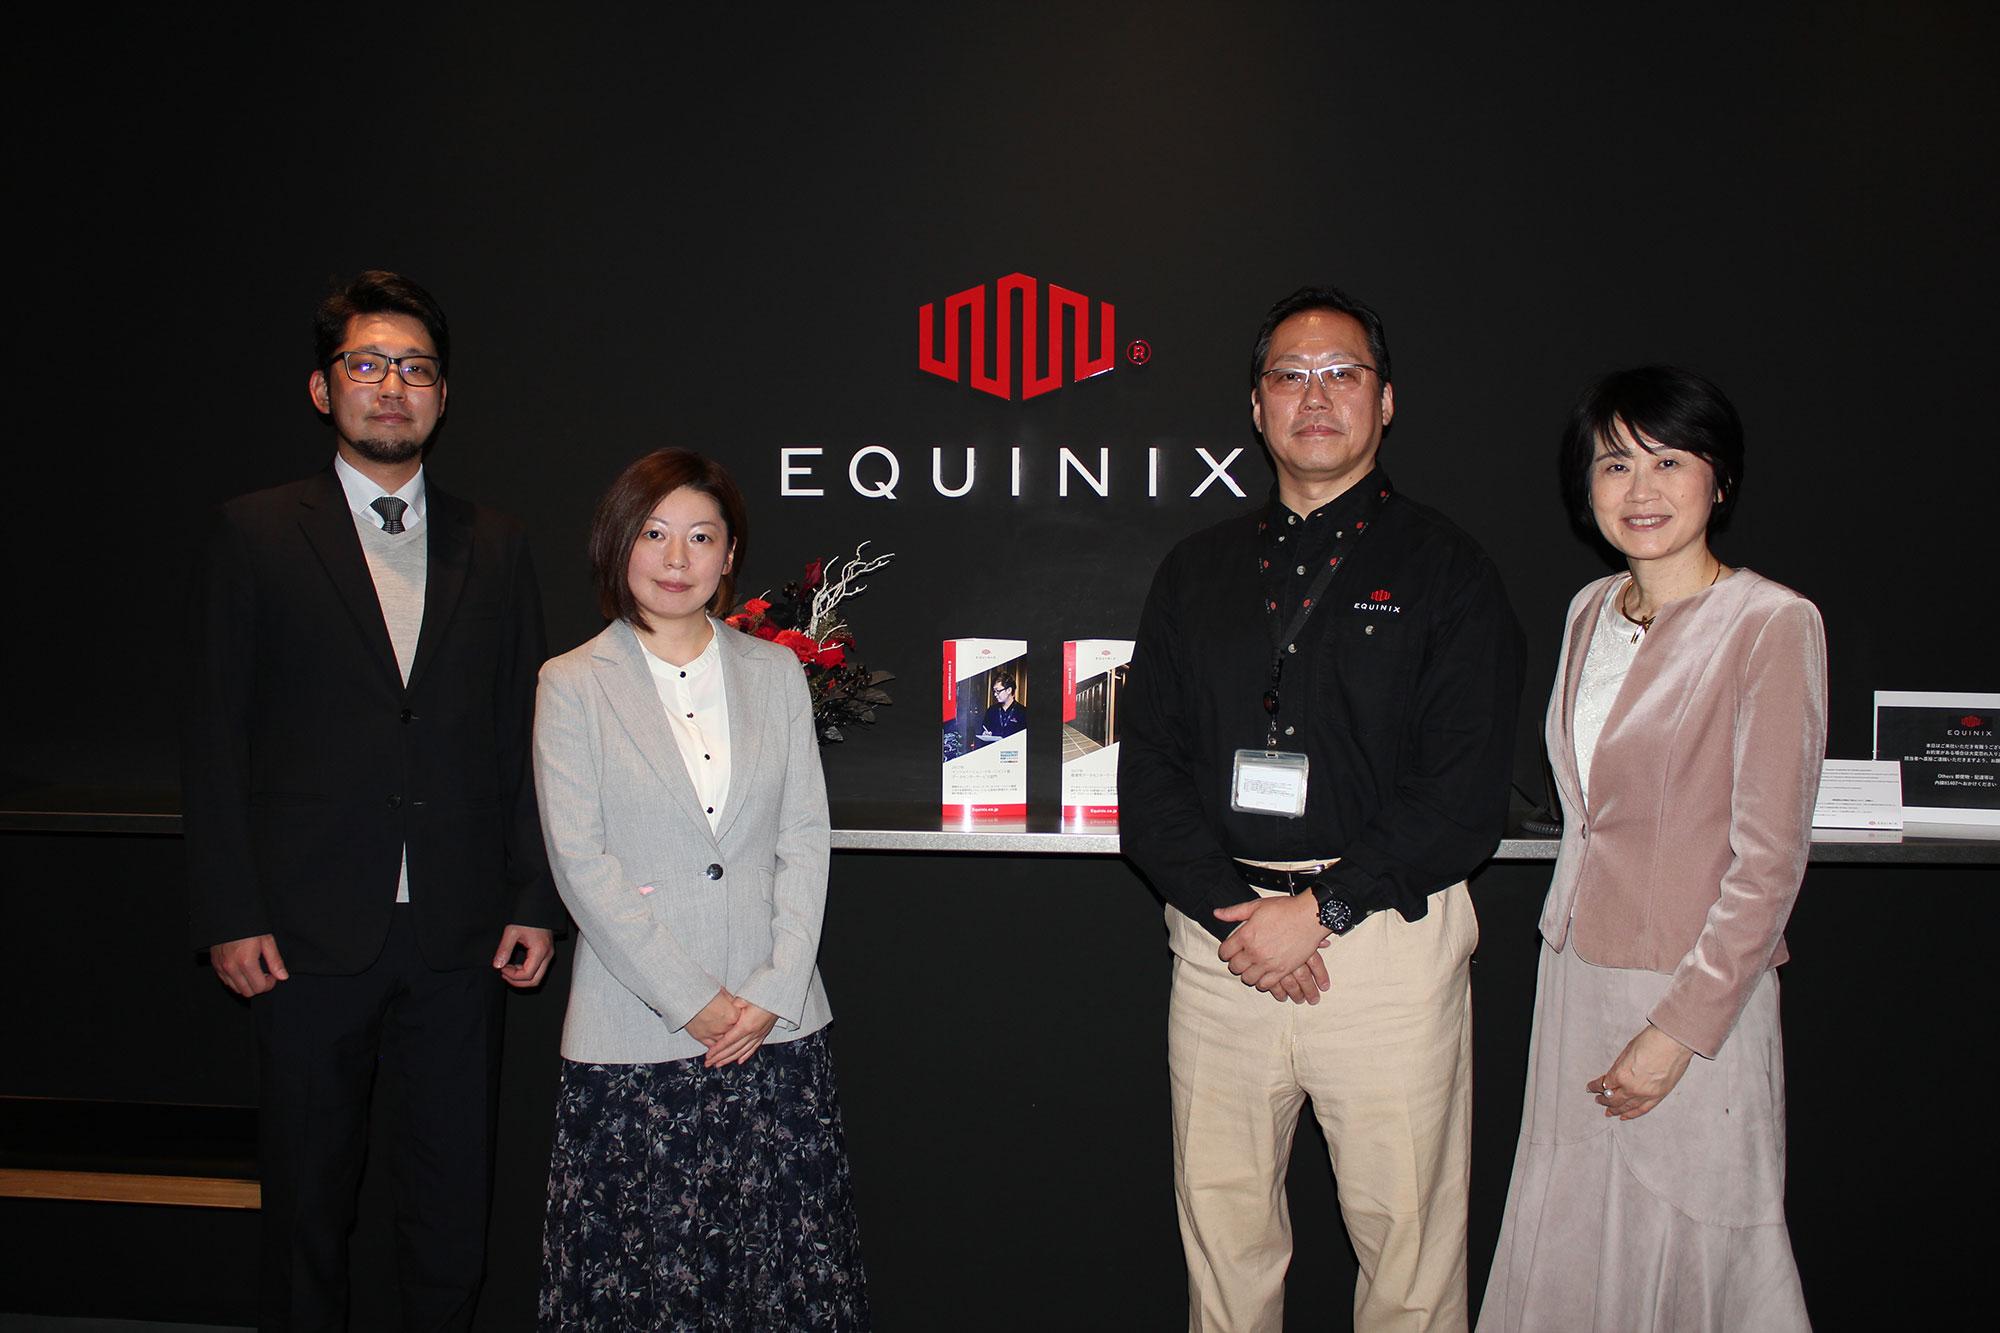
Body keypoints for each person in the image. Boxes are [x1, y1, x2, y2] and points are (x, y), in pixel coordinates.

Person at [1119, 286, 1524, 1332]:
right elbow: (1149, 775)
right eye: (1289, 375)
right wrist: (1237, 912)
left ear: (1384, 401)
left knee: (1407, 1251)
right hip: (1223, 949)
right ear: (1256, 406)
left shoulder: (1448, 571)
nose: (1315, 395)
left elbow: (1463, 793)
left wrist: (1323, 909)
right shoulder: (1195, 571)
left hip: (1384, 947)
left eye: (1342, 373)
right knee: (1223, 1238)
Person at [184, 270, 561, 1329]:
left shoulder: (498, 543)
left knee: (451, 1203)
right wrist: (229, 912)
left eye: (415, 368)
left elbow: (524, 734)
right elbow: (213, 735)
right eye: (367, 364)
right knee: (308, 1205)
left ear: (443, 396)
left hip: (460, 932)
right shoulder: (255, 533)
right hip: (300, 934)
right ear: (323, 388)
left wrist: (534, 897)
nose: (392, 386)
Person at [1480, 367, 1821, 1331]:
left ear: (1720, 478)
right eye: (1614, 463)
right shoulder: (1589, 608)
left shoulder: (1772, 623)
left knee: (1699, 1242)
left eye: (1669, 461)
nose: (1640, 489)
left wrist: (1678, 1032)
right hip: (1575, 974)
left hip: (1697, 991)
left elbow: (1769, 864)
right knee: (1571, 1237)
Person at [533, 449, 868, 1330]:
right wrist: (696, 1002)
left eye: (700, 536)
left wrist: (772, 989)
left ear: (729, 556)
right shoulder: (571, 682)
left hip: (774, 1030)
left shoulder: (775, 672)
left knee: (781, 1279)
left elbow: (804, 836)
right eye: (653, 534)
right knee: (646, 1284)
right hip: (636, 1033)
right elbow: (581, 863)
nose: (676, 558)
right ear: (617, 545)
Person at [974, 671, 1025, 746]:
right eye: (994, 691)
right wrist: (985, 735)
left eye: (998, 691)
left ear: (1009, 690)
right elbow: (984, 731)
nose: (995, 694)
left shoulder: (1023, 712)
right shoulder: (991, 711)